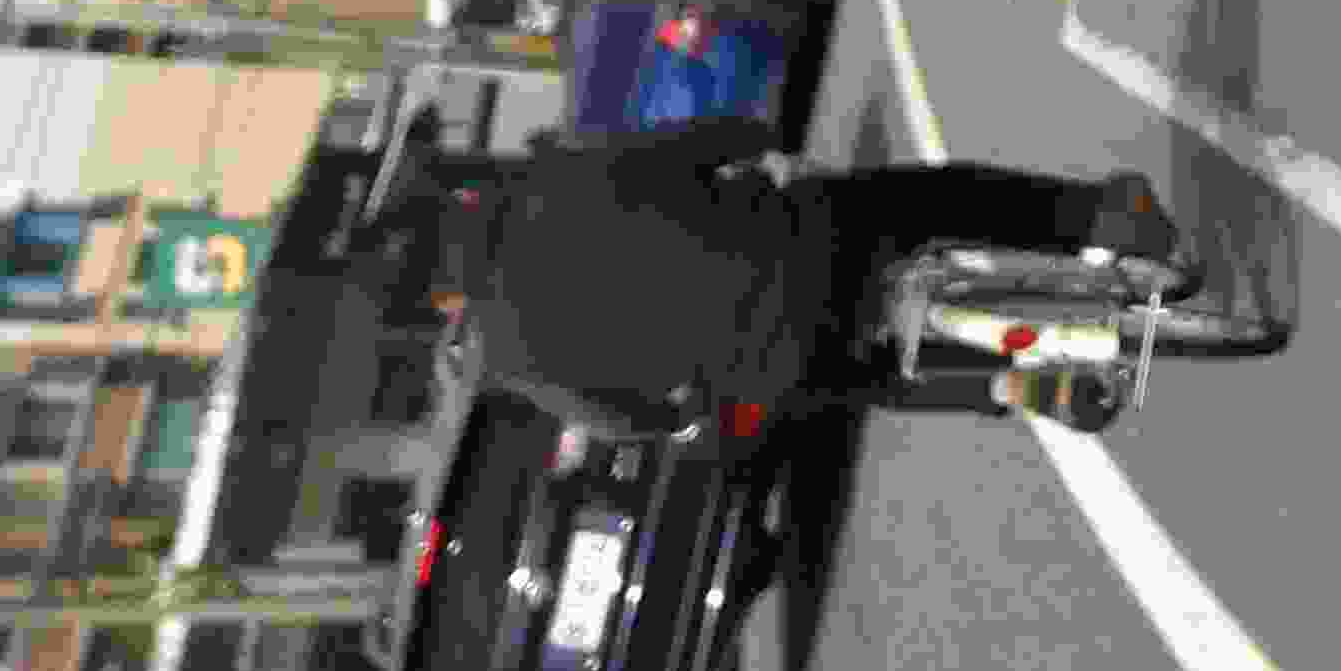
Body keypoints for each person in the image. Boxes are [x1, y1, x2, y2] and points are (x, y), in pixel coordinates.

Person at [428, 122, 1186, 435]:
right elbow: (703, 141)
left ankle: (1015, 386)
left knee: (862, 380)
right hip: (806, 236)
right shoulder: (558, 179)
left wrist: (682, 408)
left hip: (775, 356)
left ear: (450, 292)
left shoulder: (510, 354)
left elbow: (623, 421)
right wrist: (763, 144)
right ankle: (1102, 219)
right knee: (940, 198)